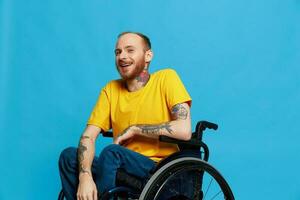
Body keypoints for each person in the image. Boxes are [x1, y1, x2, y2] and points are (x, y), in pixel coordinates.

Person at [59, 31, 192, 200]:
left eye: (130, 50)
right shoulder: (111, 90)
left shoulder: (166, 78)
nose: (122, 56)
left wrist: (135, 129)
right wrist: (85, 176)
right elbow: (88, 136)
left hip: (158, 169)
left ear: (148, 55)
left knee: (112, 152)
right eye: (118, 52)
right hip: (118, 166)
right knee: (69, 156)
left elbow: (184, 129)